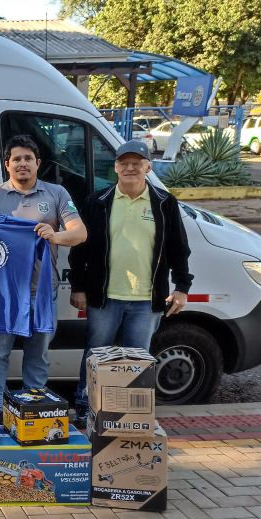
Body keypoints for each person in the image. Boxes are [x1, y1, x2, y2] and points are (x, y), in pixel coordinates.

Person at [68, 139, 192, 427]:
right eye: (124, 163)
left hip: (147, 300)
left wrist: (182, 287)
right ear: (115, 168)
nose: (130, 168)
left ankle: (129, 417)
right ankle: (86, 407)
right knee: (96, 355)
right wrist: (78, 285)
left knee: (137, 361)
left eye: (137, 163)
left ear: (148, 167)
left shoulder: (164, 203)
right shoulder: (98, 202)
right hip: (104, 297)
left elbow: (178, 249)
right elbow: (80, 248)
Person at [0, 135, 86, 404]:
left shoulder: (57, 194)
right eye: (16, 159)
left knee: (38, 354)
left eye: (28, 159)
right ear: (7, 164)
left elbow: (80, 233)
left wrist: (55, 235)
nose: (22, 164)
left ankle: (34, 404)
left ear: (38, 163)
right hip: (2, 294)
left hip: (41, 292)